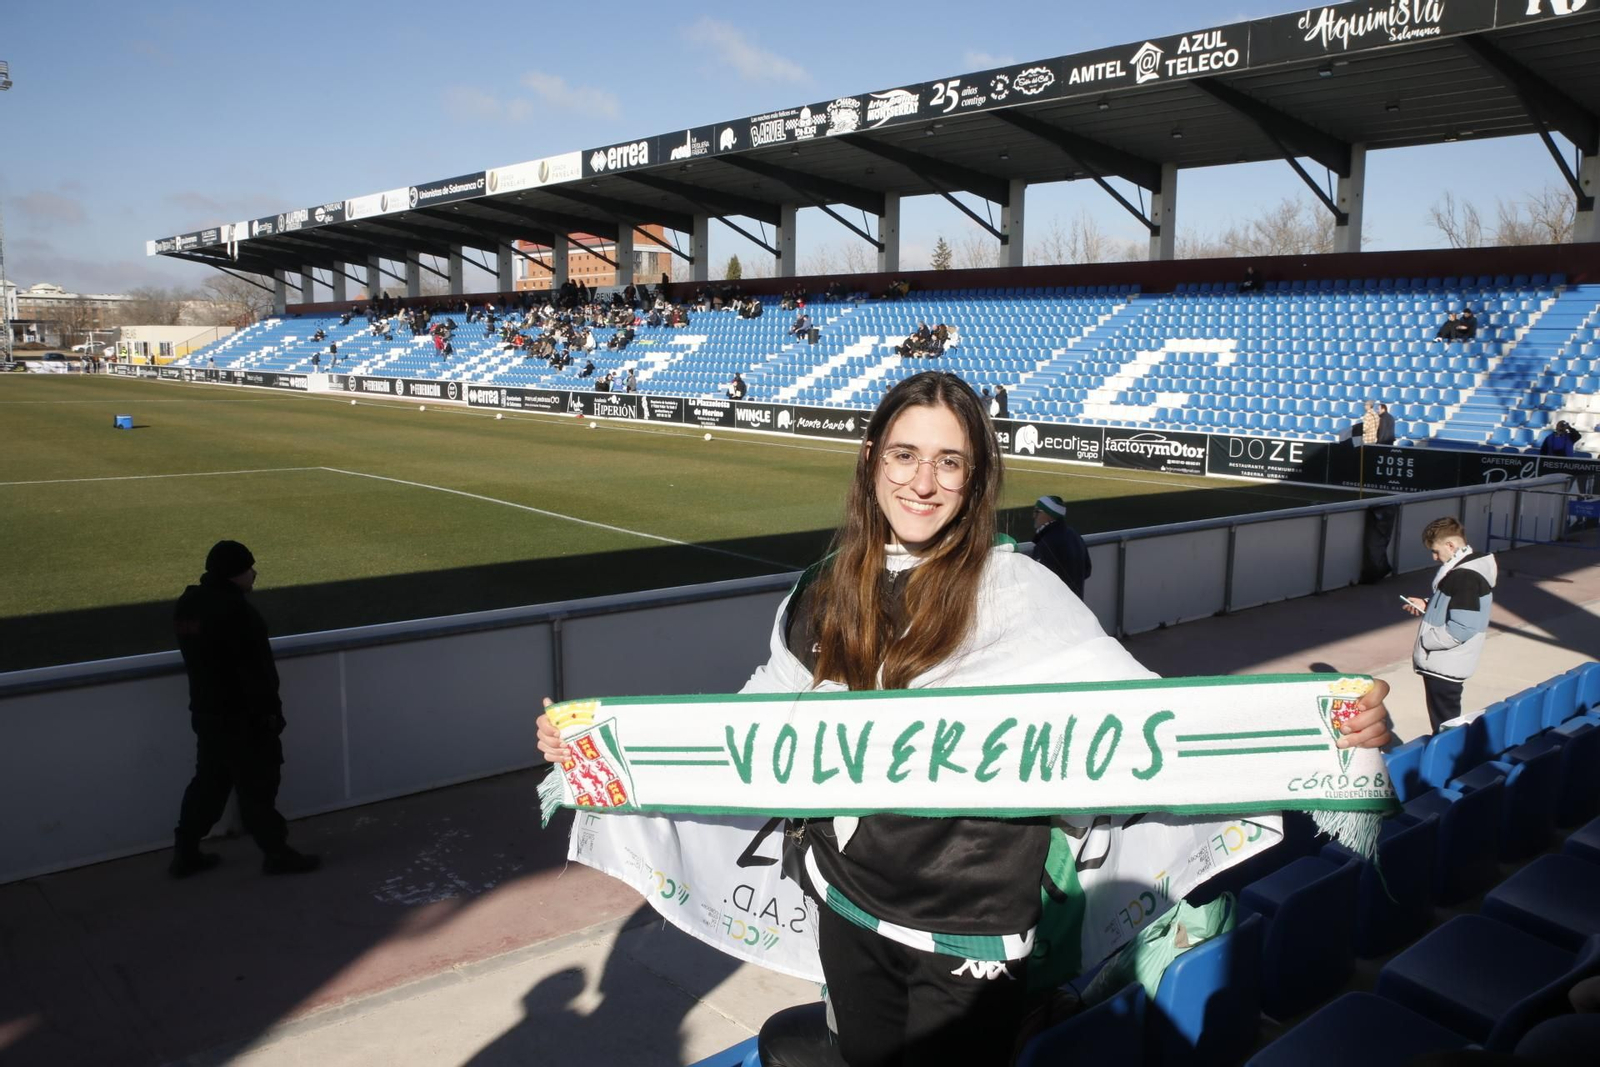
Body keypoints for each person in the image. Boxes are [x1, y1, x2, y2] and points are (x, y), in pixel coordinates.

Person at [536, 372, 1393, 1065]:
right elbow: (761, 721)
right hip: (848, 901)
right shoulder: (824, 587)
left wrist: (1319, 740)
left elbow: (1149, 725)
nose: (923, 479)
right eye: (906, 454)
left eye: (949, 462)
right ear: (872, 458)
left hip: (974, 921)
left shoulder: (1022, 594)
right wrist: (595, 753)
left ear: (976, 477)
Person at [170, 541, 320, 878]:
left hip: (207, 712)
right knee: (258, 787)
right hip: (244, 718)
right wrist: (270, 713)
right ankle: (276, 854)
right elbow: (256, 672)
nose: (255, 573)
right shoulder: (238, 612)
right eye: (249, 567)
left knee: (209, 783)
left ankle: (186, 851)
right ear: (235, 573)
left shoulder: (189, 604)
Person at [1401, 517, 1497, 734]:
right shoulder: (1469, 570)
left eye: (1436, 551)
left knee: (1445, 725)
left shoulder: (1465, 576)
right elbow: (1455, 605)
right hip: (1448, 664)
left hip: (1445, 664)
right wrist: (1427, 603)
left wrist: (1428, 642)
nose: (1435, 558)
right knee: (1445, 721)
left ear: (1451, 546)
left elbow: (1463, 627)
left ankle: (1451, 764)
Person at [1029, 495, 1092, 600]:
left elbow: (1039, 581)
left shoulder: (1046, 542)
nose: (1033, 516)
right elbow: (1087, 571)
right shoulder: (1075, 535)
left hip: (1056, 609)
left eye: (1037, 511)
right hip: (1077, 607)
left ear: (1049, 514)